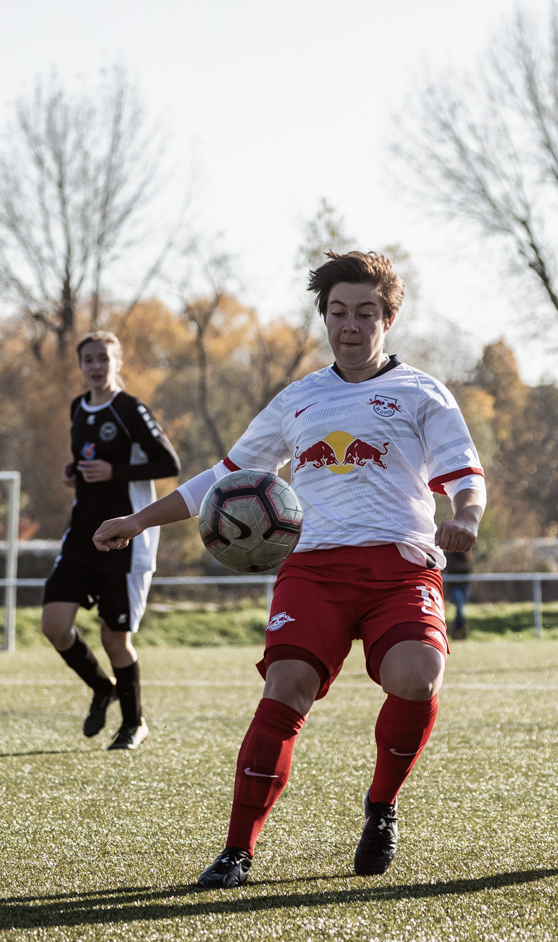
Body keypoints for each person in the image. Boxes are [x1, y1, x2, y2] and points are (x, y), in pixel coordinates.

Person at [95, 251, 485, 889]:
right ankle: (237, 850)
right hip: (313, 570)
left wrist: (465, 517)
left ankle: (381, 806)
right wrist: (138, 521)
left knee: (418, 677)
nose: (350, 326)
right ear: (324, 318)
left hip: (400, 567)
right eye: (338, 313)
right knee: (286, 686)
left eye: (365, 313)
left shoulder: (422, 393)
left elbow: (464, 476)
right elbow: (225, 479)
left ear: (388, 318)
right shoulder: (298, 400)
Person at [42, 330, 180, 749]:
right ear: (81, 365)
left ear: (116, 362)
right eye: (89, 359)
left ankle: (133, 723)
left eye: (104, 358)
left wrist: (114, 473)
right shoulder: (77, 408)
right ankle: (102, 688)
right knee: (54, 626)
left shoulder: (129, 409)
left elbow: (168, 463)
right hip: (81, 538)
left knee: (113, 638)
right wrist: (73, 471)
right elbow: (85, 460)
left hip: (123, 542)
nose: (96, 366)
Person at [443, 548, 472, 642]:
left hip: (464, 585)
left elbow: (469, 568)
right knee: (460, 608)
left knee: (461, 609)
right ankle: (460, 629)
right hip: (454, 586)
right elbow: (451, 567)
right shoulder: (449, 553)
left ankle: (456, 631)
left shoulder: (466, 552)